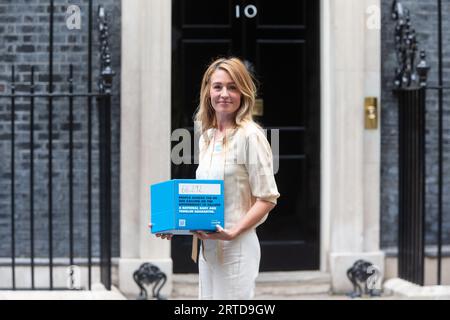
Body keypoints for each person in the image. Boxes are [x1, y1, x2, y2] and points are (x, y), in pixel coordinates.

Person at [153, 57, 280, 300]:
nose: (224, 94)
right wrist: (172, 224)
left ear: (243, 92)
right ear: (208, 91)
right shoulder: (207, 137)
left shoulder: (251, 136)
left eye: (232, 87)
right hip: (207, 249)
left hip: (237, 248)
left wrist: (233, 233)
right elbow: (206, 198)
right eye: (218, 86)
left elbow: (267, 198)